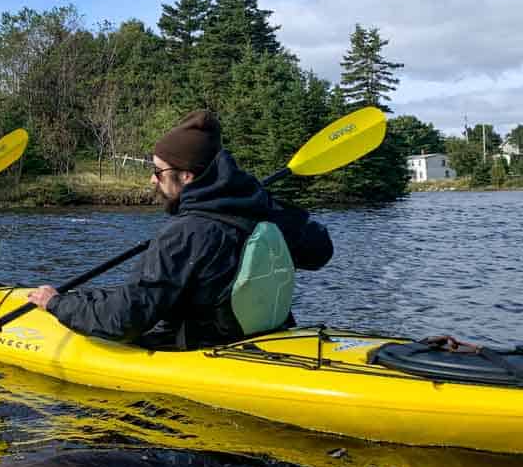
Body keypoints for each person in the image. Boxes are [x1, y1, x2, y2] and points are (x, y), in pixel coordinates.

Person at [26, 110, 333, 349]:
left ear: (186, 176)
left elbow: (125, 320)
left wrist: (56, 303)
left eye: (157, 172)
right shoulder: (258, 209)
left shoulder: (185, 234)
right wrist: (264, 200)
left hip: (202, 351)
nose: (151, 180)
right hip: (267, 337)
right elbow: (320, 250)